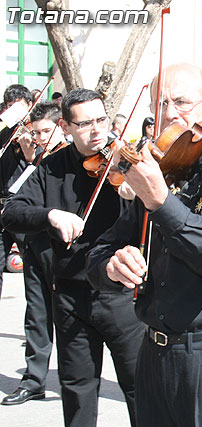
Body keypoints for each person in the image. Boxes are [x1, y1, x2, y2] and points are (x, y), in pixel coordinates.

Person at [85, 63, 202, 427]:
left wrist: (160, 200)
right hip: (156, 351)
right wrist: (111, 264)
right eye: (160, 104)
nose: (170, 113)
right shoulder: (159, 167)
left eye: (182, 102)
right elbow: (99, 252)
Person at [2, 88, 145, 427]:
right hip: (70, 295)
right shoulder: (52, 167)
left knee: (141, 387)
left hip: (122, 294)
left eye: (101, 120)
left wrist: (140, 194)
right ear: (66, 127)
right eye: (84, 124)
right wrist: (50, 215)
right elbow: (12, 211)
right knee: (77, 388)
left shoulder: (126, 162)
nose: (96, 130)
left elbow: (164, 213)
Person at [2, 102, 63, 406]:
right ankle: (34, 380)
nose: (39, 138)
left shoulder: (71, 159)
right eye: (36, 132)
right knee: (36, 314)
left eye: (45, 131)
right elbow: (15, 195)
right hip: (37, 245)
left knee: (70, 318)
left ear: (61, 127)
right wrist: (29, 160)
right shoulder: (34, 158)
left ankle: (76, 377)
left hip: (67, 250)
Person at [0, 84, 33, 300]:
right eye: (9, 107)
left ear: (29, 106)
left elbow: (34, 161)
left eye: (18, 107)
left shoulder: (31, 130)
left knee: (32, 266)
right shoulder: (3, 131)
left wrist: (29, 149)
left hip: (20, 203)